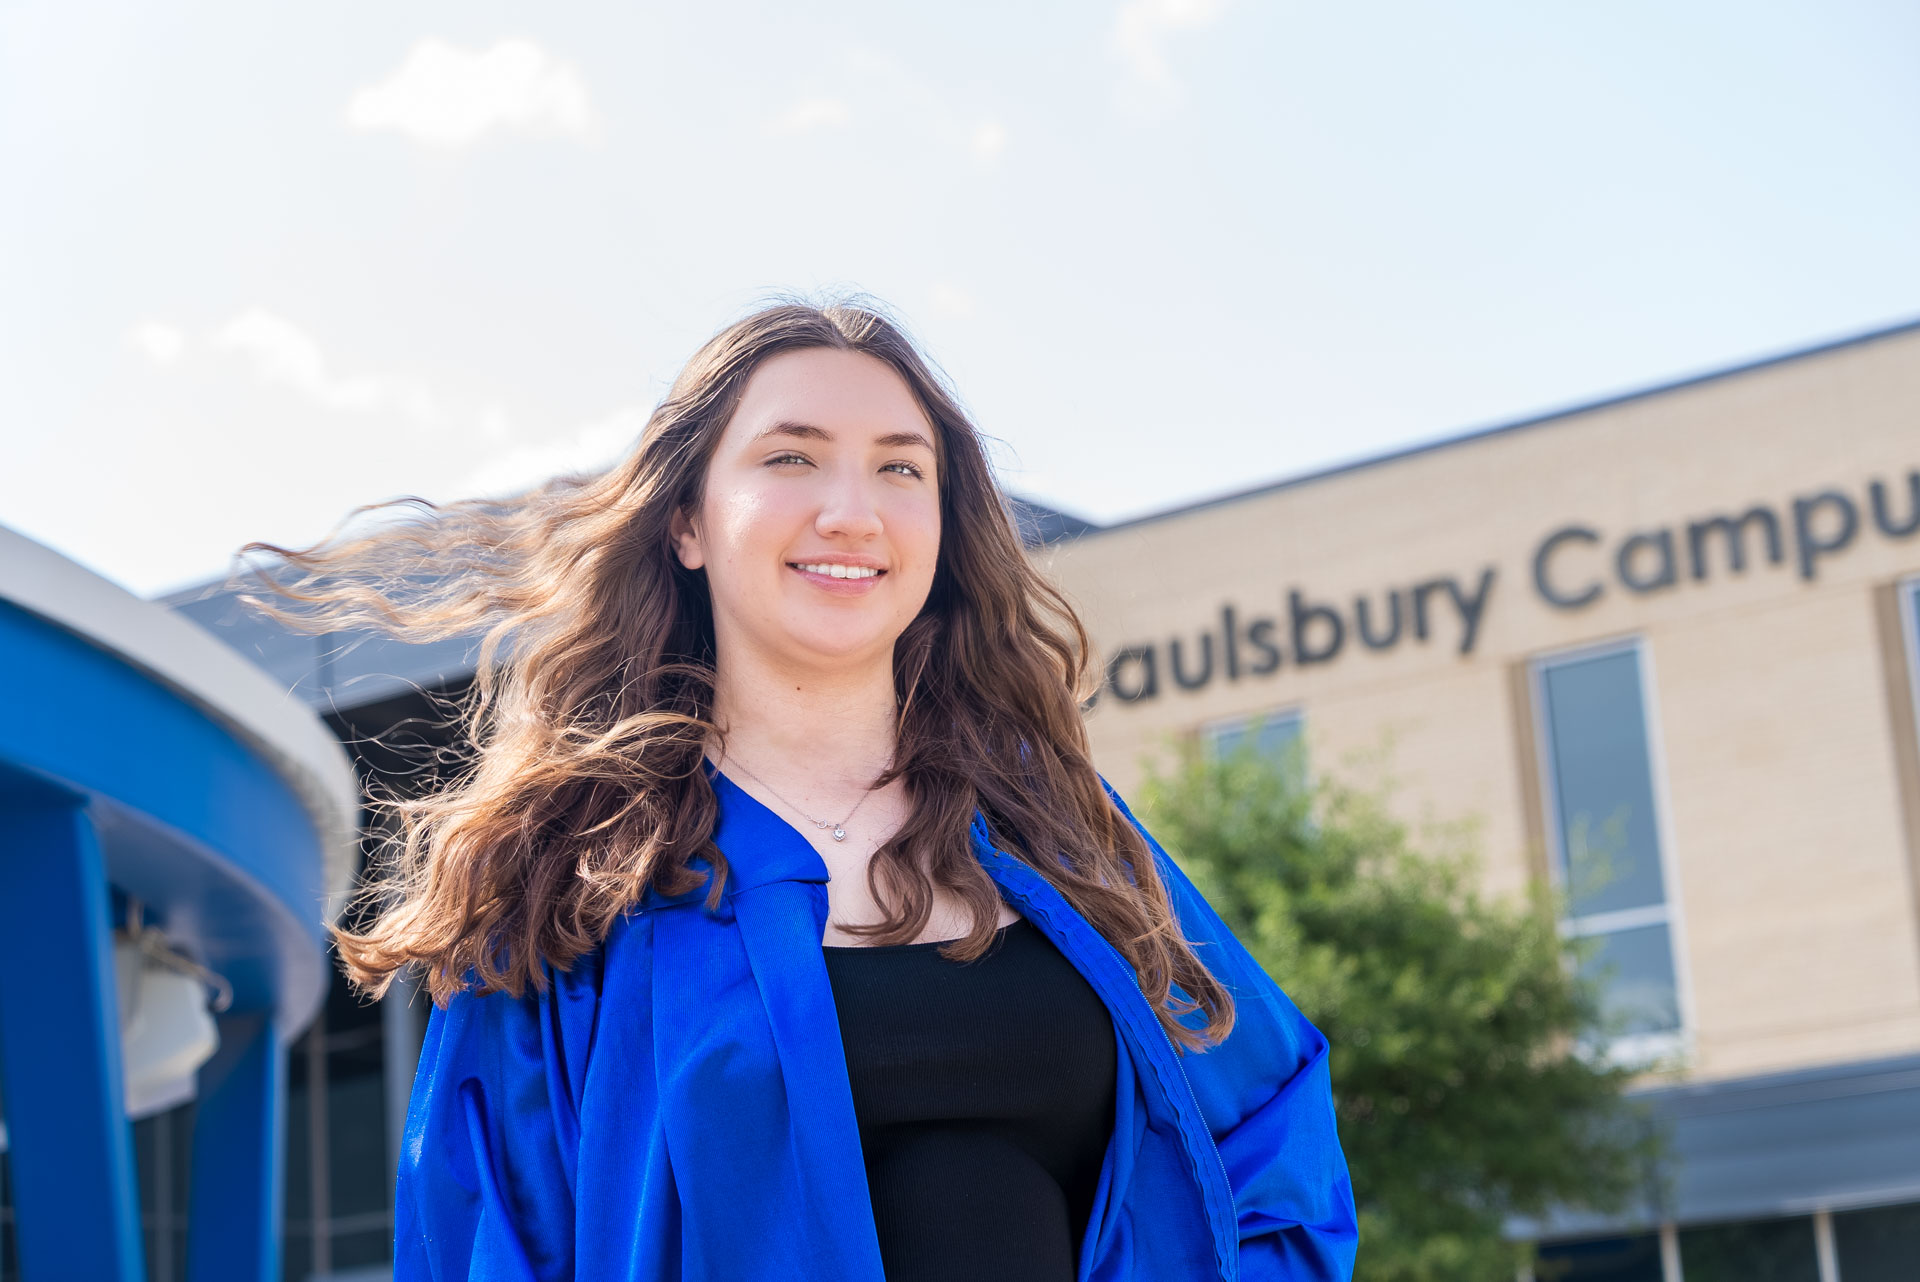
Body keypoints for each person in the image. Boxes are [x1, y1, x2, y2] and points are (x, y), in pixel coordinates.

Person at [243, 299, 1357, 1281]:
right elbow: (488, 1239)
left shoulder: (1056, 832)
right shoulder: (578, 880)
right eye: (791, 458)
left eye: (900, 468)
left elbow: (1274, 1132)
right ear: (687, 522)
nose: (851, 511)